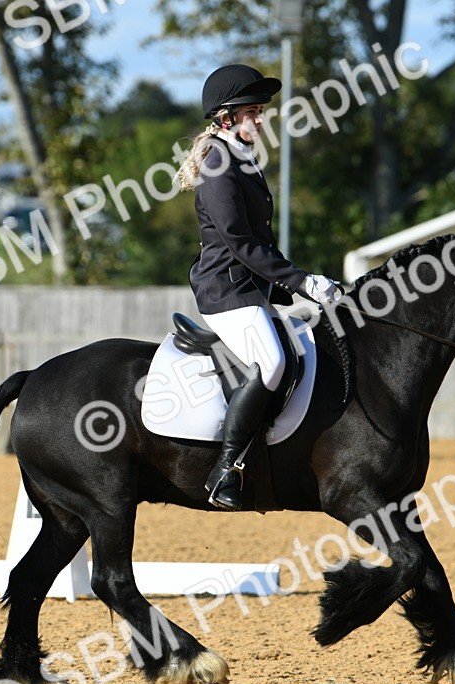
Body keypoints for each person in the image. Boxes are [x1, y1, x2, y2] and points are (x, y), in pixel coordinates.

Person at [177, 63, 340, 510]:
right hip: (226, 292)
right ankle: (226, 469)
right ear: (227, 116)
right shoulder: (219, 165)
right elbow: (242, 243)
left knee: (302, 349)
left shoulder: (239, 159)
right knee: (270, 363)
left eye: (261, 110)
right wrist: (303, 281)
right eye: (253, 111)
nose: (261, 119)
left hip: (251, 290)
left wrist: (292, 288)